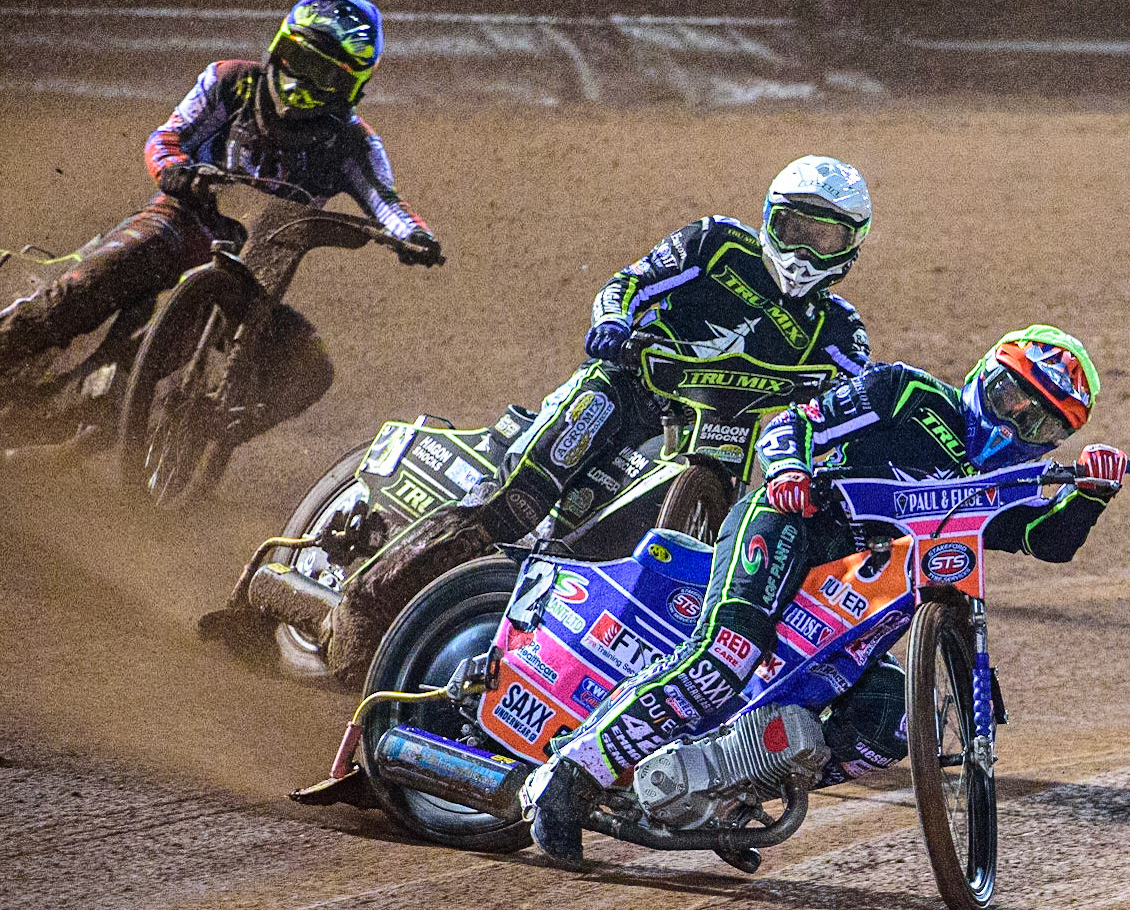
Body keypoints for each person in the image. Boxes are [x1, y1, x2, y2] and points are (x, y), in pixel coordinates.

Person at [519, 324, 1130, 869]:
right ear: (983, 377)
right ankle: (570, 775)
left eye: (1041, 422)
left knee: (888, 721)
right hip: (791, 527)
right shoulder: (906, 393)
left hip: (853, 602)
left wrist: (1095, 490)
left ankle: (728, 792)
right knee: (726, 654)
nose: (1015, 424)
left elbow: (1045, 538)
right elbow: (796, 423)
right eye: (1011, 398)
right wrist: (789, 471)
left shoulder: (999, 485)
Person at [324, 155, 876, 684]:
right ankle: (367, 602)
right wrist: (613, 323)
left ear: (850, 248)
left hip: (720, 449)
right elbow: (627, 284)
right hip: (626, 393)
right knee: (516, 503)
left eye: (824, 237)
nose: (804, 249)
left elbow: (855, 411)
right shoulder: (715, 245)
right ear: (768, 219)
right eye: (795, 226)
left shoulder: (840, 332)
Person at [0, 0, 441, 431]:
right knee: (76, 294)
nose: (298, 85)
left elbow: (386, 203)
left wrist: (414, 236)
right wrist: (175, 171)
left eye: (323, 77)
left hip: (253, 275)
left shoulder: (355, 144)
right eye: (297, 61)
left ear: (351, 88)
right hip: (180, 222)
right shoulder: (230, 82)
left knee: (308, 369)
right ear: (277, 48)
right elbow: (166, 138)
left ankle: (198, 432)